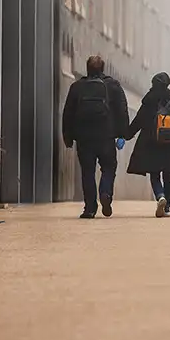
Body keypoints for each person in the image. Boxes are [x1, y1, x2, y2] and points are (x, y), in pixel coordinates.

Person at [60, 55, 130, 219]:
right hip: (106, 137)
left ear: (87, 68)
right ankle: (105, 193)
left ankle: (90, 208)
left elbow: (68, 113)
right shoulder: (113, 85)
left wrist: (68, 136)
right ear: (103, 68)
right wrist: (122, 134)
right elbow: (122, 110)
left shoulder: (77, 87)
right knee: (108, 168)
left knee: (87, 172)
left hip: (84, 139)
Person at [125, 72, 170, 218]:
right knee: (168, 175)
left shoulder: (149, 100)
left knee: (155, 174)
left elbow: (139, 121)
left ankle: (160, 195)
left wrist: (126, 135)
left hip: (152, 144)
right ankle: (167, 206)